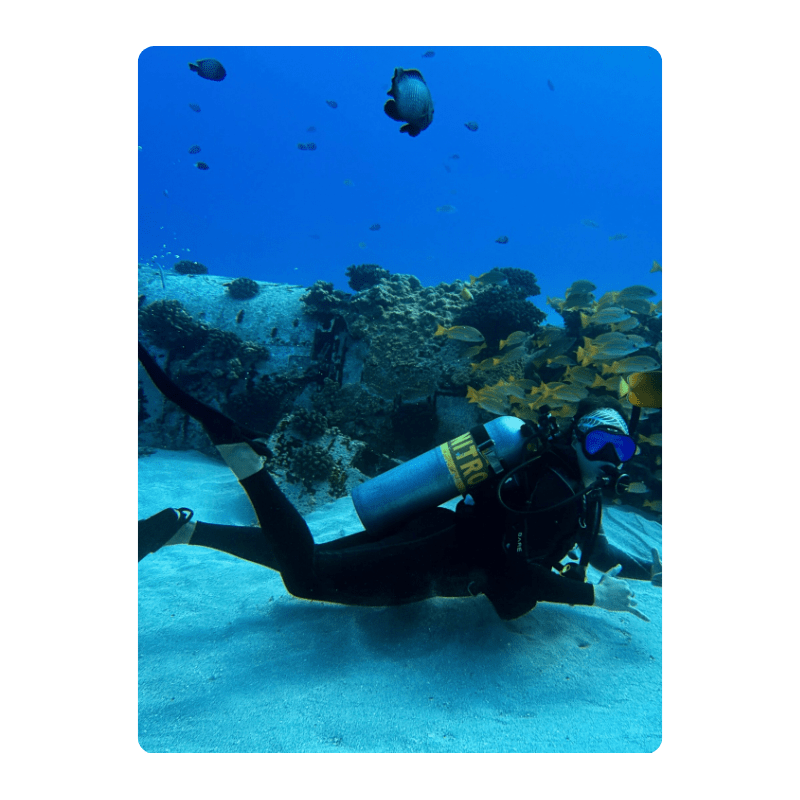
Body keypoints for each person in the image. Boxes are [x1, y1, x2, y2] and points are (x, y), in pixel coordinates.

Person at [137, 341, 662, 622]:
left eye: (621, 449)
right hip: (431, 556)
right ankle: (247, 465)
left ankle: (185, 529)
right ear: (575, 439)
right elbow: (511, 572)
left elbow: (597, 547)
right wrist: (592, 597)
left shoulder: (577, 491)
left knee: (307, 556)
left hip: (432, 531)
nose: (610, 457)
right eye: (600, 443)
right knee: (308, 577)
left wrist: (652, 573)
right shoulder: (553, 488)